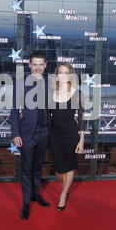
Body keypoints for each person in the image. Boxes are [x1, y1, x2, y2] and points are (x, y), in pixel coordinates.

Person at [10, 52, 51, 220]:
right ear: (29, 65)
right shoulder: (20, 84)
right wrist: (15, 134)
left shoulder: (50, 82)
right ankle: (26, 203)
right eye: (35, 64)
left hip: (44, 132)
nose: (38, 67)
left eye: (41, 64)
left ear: (46, 65)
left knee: (38, 167)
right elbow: (13, 111)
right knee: (26, 169)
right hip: (27, 133)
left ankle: (36, 194)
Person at [48, 63, 85, 211]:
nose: (63, 75)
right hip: (54, 134)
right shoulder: (50, 92)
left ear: (71, 75)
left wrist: (82, 139)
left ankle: (63, 194)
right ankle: (66, 184)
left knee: (69, 165)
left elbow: (82, 118)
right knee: (59, 169)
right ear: (56, 75)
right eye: (60, 72)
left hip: (70, 134)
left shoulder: (77, 93)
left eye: (66, 72)